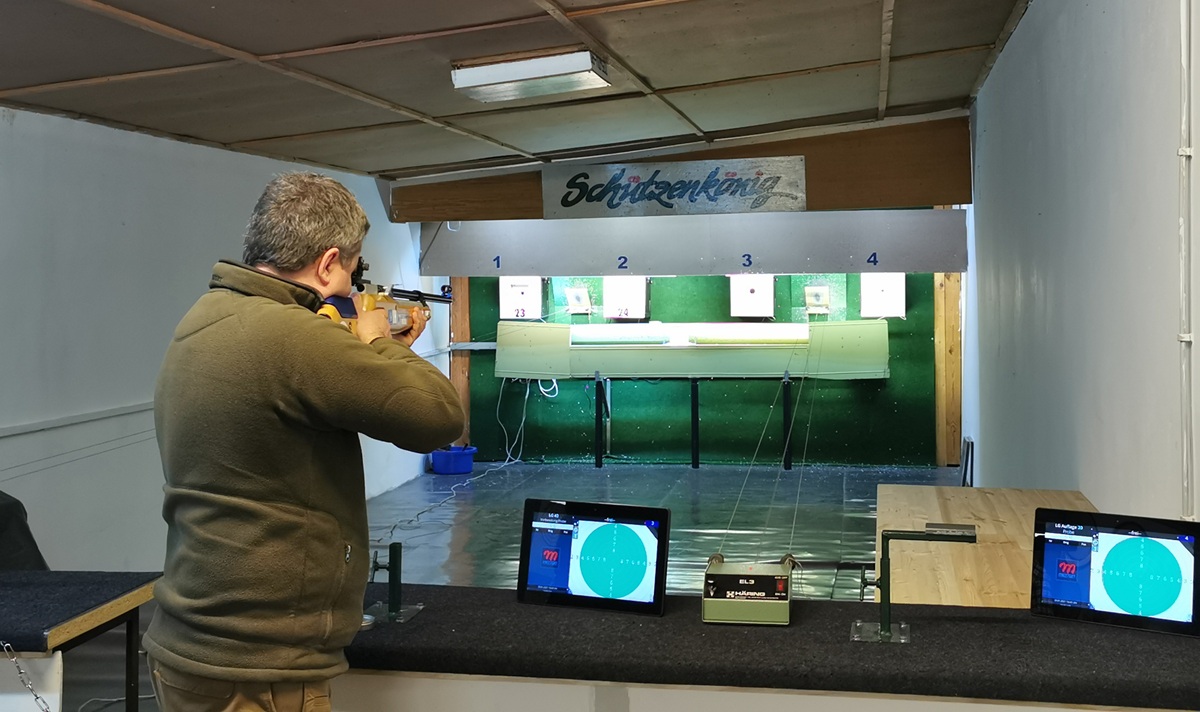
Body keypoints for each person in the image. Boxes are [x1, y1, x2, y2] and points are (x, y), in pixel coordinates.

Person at [143, 172, 464, 712]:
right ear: (327, 262)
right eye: (351, 271)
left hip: (196, 638)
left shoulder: (207, 315)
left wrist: (363, 350)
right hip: (260, 663)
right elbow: (438, 418)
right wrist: (381, 344)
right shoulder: (293, 335)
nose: (350, 285)